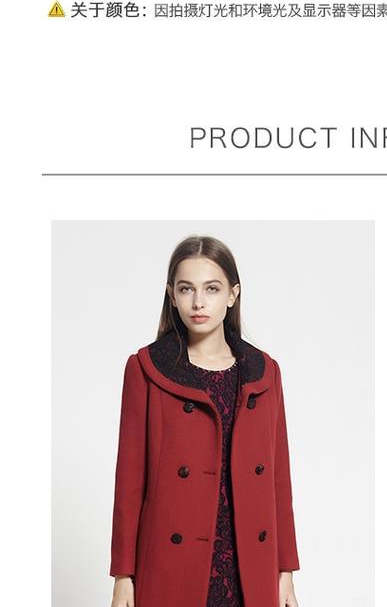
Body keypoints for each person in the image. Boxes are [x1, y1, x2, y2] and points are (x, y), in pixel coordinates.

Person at [109, 235, 299, 607]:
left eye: (212, 288)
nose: (198, 302)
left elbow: (278, 479)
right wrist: (123, 577)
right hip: (172, 564)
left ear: (232, 294)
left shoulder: (264, 372)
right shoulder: (146, 369)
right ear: (171, 295)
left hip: (249, 564)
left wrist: (285, 571)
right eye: (186, 289)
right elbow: (129, 482)